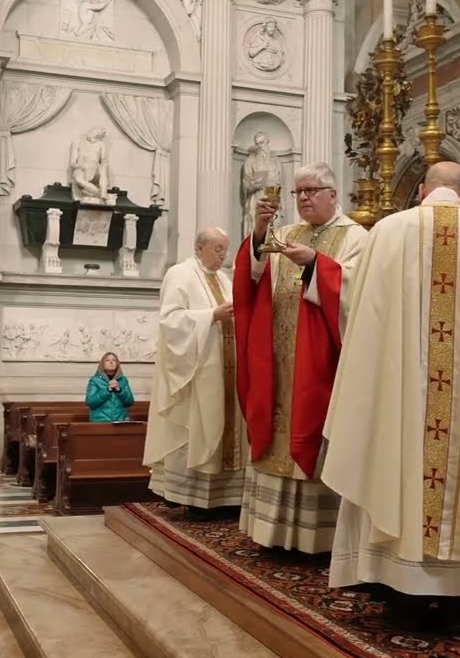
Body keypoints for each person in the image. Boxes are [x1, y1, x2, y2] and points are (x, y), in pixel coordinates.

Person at [321, 162, 460, 614]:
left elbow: (362, 320)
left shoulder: (388, 231)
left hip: (402, 395)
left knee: (393, 457)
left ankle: (397, 577)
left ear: (421, 190)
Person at [233, 162, 369, 554]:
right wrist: (259, 233)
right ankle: (270, 532)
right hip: (276, 359)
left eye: (313, 190)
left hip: (321, 362)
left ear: (333, 194)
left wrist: (316, 264)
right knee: (272, 427)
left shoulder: (356, 237)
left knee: (311, 428)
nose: (305, 197)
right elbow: (253, 279)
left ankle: (317, 538)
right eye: (299, 192)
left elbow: (360, 291)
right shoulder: (286, 233)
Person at [144, 227, 246, 517]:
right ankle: (189, 494)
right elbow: (170, 321)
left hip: (224, 372)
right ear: (200, 247)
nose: (223, 255)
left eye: (225, 249)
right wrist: (211, 316)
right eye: (217, 248)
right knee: (195, 429)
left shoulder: (224, 280)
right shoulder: (180, 274)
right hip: (195, 373)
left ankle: (225, 496)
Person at [86, 352, 135, 422]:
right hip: (100, 422)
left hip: (120, 421)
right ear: (102, 364)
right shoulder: (95, 380)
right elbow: (90, 402)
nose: (111, 362)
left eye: (114, 360)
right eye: (107, 360)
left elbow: (130, 402)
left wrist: (119, 390)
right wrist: (107, 390)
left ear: (117, 364)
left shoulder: (123, 380)